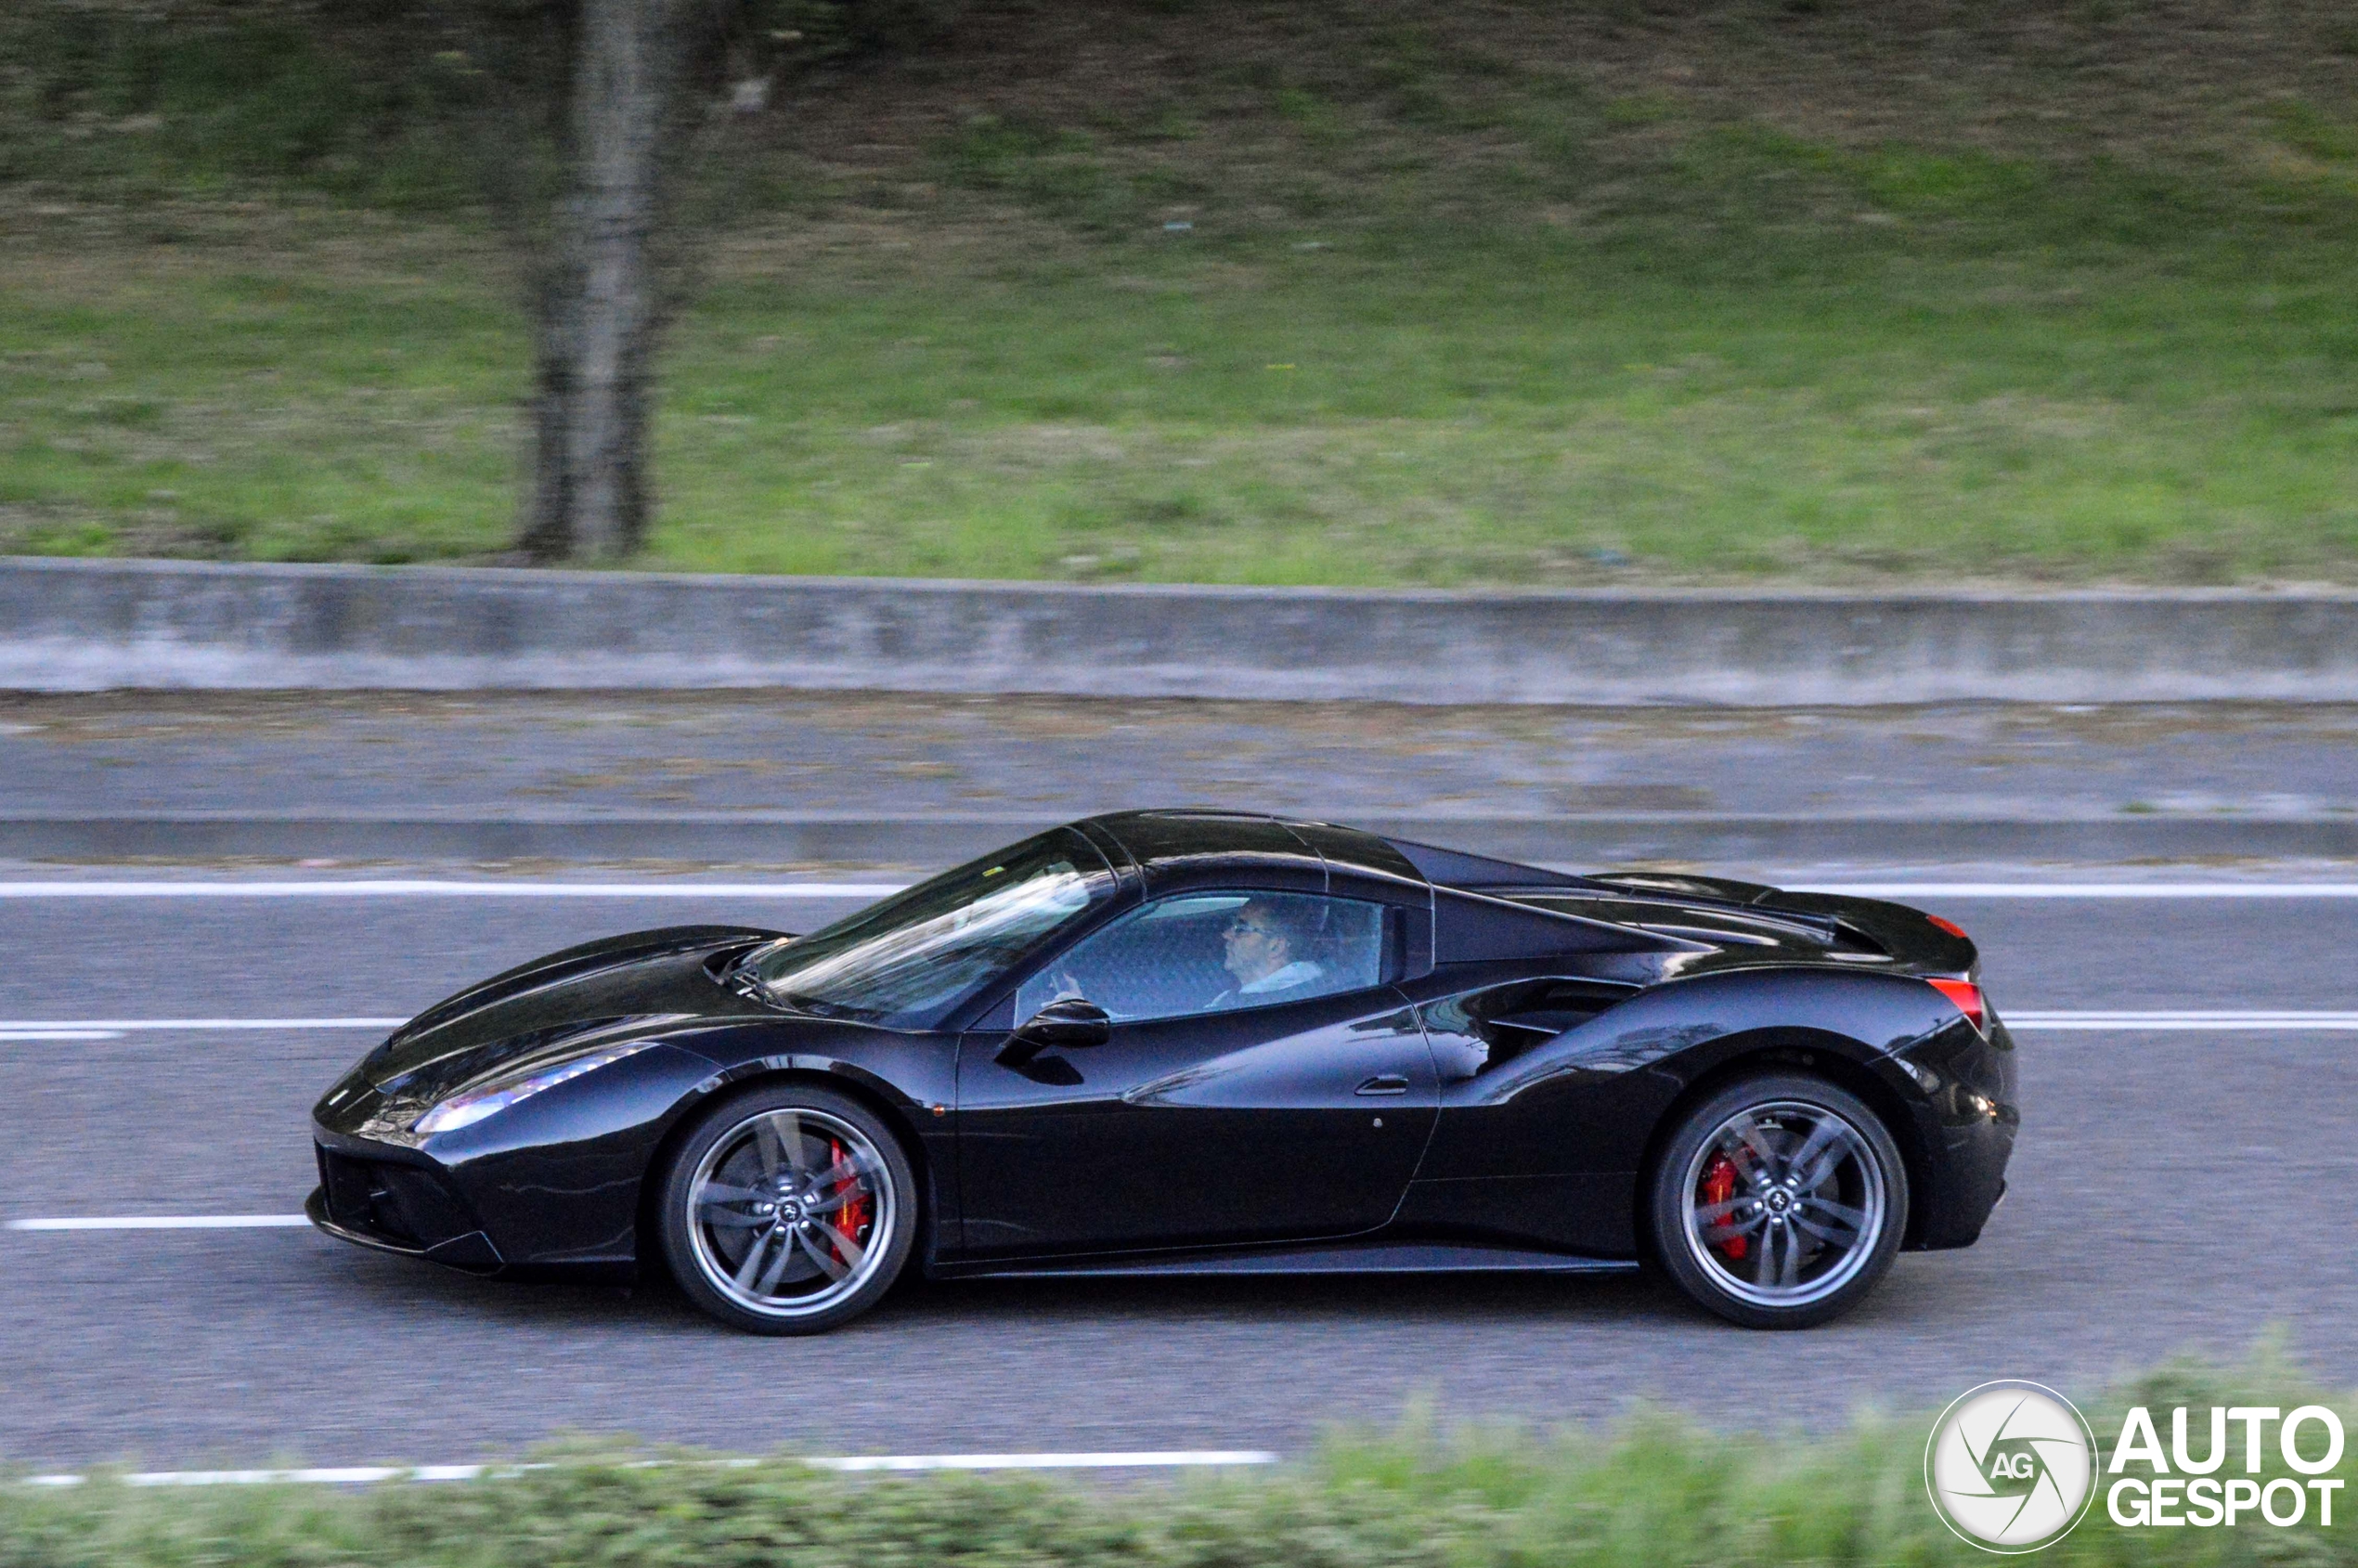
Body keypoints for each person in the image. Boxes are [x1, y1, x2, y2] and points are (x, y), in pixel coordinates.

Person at [1208, 898, 1327, 1009]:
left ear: (1276, 947)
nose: (1226, 935)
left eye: (1241, 929)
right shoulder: (1313, 990)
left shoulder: (1271, 1001)